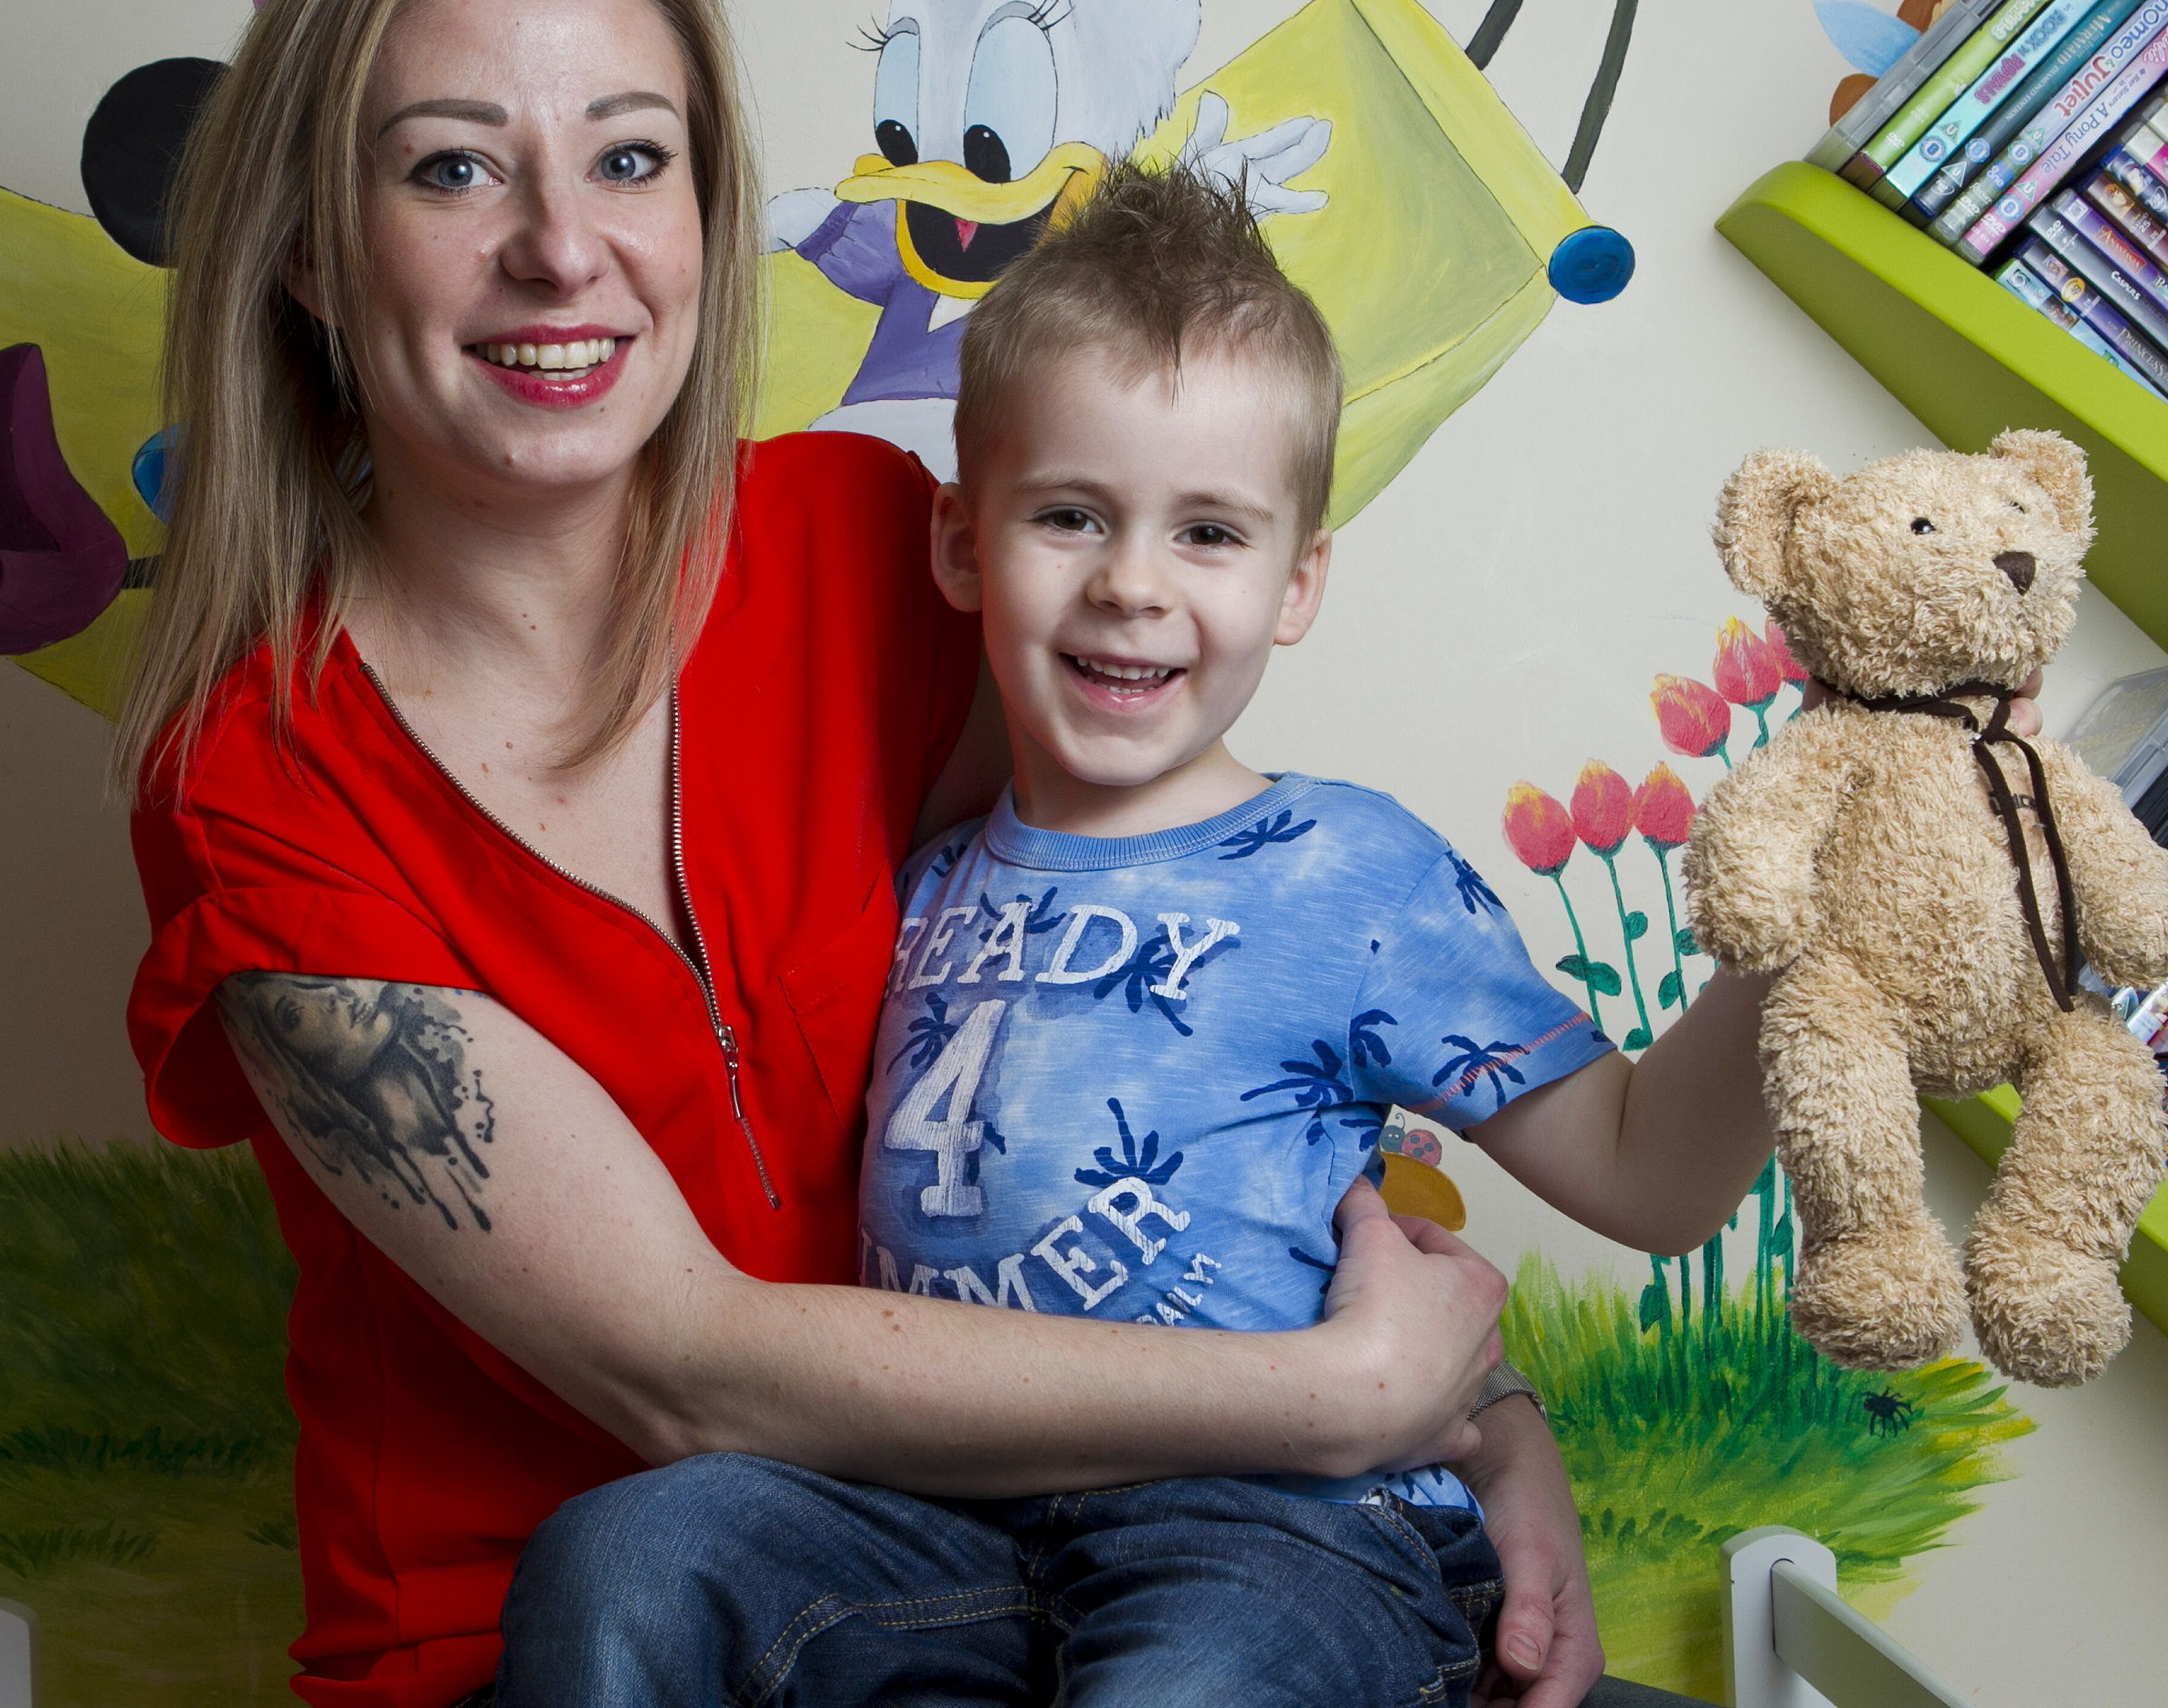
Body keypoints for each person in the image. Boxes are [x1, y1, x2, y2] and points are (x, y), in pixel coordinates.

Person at [116, 0, 1647, 1708]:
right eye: (452, 167)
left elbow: (1210, 966)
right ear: (302, 255)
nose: (559, 246)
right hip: (587, 1637)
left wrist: (1474, 1421)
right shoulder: (259, 783)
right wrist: (1342, 1402)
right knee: (628, 1564)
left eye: (629, 157)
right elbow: (681, 1370)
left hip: (1062, 1560)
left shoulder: (867, 542)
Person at [492, 161, 1786, 1705]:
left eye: (1210, 535)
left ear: (1299, 581)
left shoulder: (1345, 872)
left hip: (1273, 1525)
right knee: (623, 1556)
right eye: (1070, 516)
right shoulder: (910, 884)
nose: (1130, 585)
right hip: (939, 1522)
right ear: (963, 548)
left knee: (1191, 1683)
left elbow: (1651, 1174)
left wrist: (1819, 947)